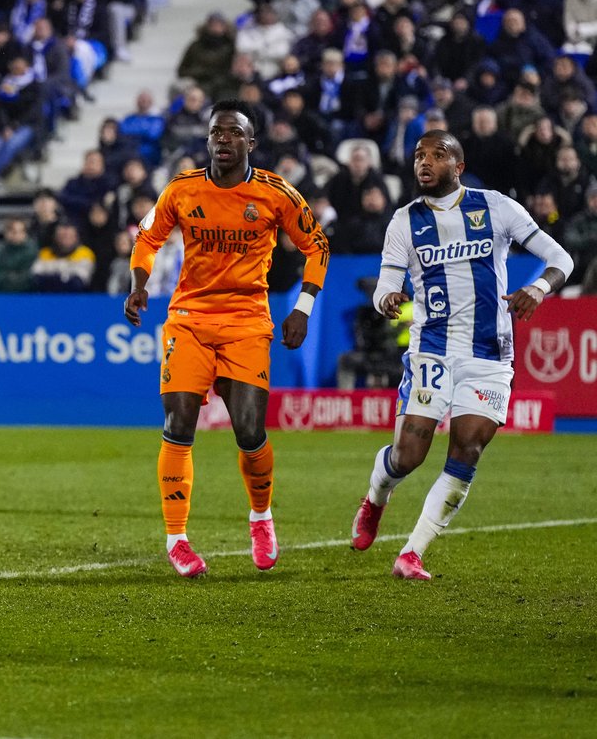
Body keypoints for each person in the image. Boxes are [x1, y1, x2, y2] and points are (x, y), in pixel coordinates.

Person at [349, 130, 573, 580]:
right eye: (419, 155)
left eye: (437, 155)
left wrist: (536, 288)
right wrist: (388, 300)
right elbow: (387, 284)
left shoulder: (496, 207)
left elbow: (560, 258)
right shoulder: (404, 221)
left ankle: (413, 552)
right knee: (408, 456)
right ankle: (376, 497)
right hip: (431, 349)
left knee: (468, 447)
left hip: (489, 354)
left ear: (459, 165)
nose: (424, 163)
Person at [125, 100, 330, 578]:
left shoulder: (275, 193)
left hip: (246, 322)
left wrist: (302, 308)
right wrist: (139, 283)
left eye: (234, 132)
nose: (223, 138)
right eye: (217, 131)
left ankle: (261, 516)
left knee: (248, 430)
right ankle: (177, 539)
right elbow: (148, 236)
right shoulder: (182, 188)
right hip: (189, 319)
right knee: (178, 422)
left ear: (250, 143)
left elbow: (316, 245)